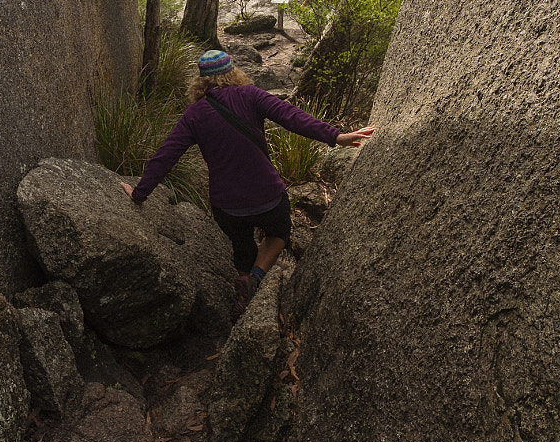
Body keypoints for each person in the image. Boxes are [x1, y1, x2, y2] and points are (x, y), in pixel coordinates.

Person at [121, 49, 374, 313]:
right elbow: (293, 117)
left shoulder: (194, 115)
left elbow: (165, 156)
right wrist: (336, 136)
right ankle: (256, 276)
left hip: (228, 206)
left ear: (201, 81)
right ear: (233, 72)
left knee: (240, 241)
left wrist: (139, 194)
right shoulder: (252, 95)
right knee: (278, 232)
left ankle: (244, 288)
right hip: (268, 195)